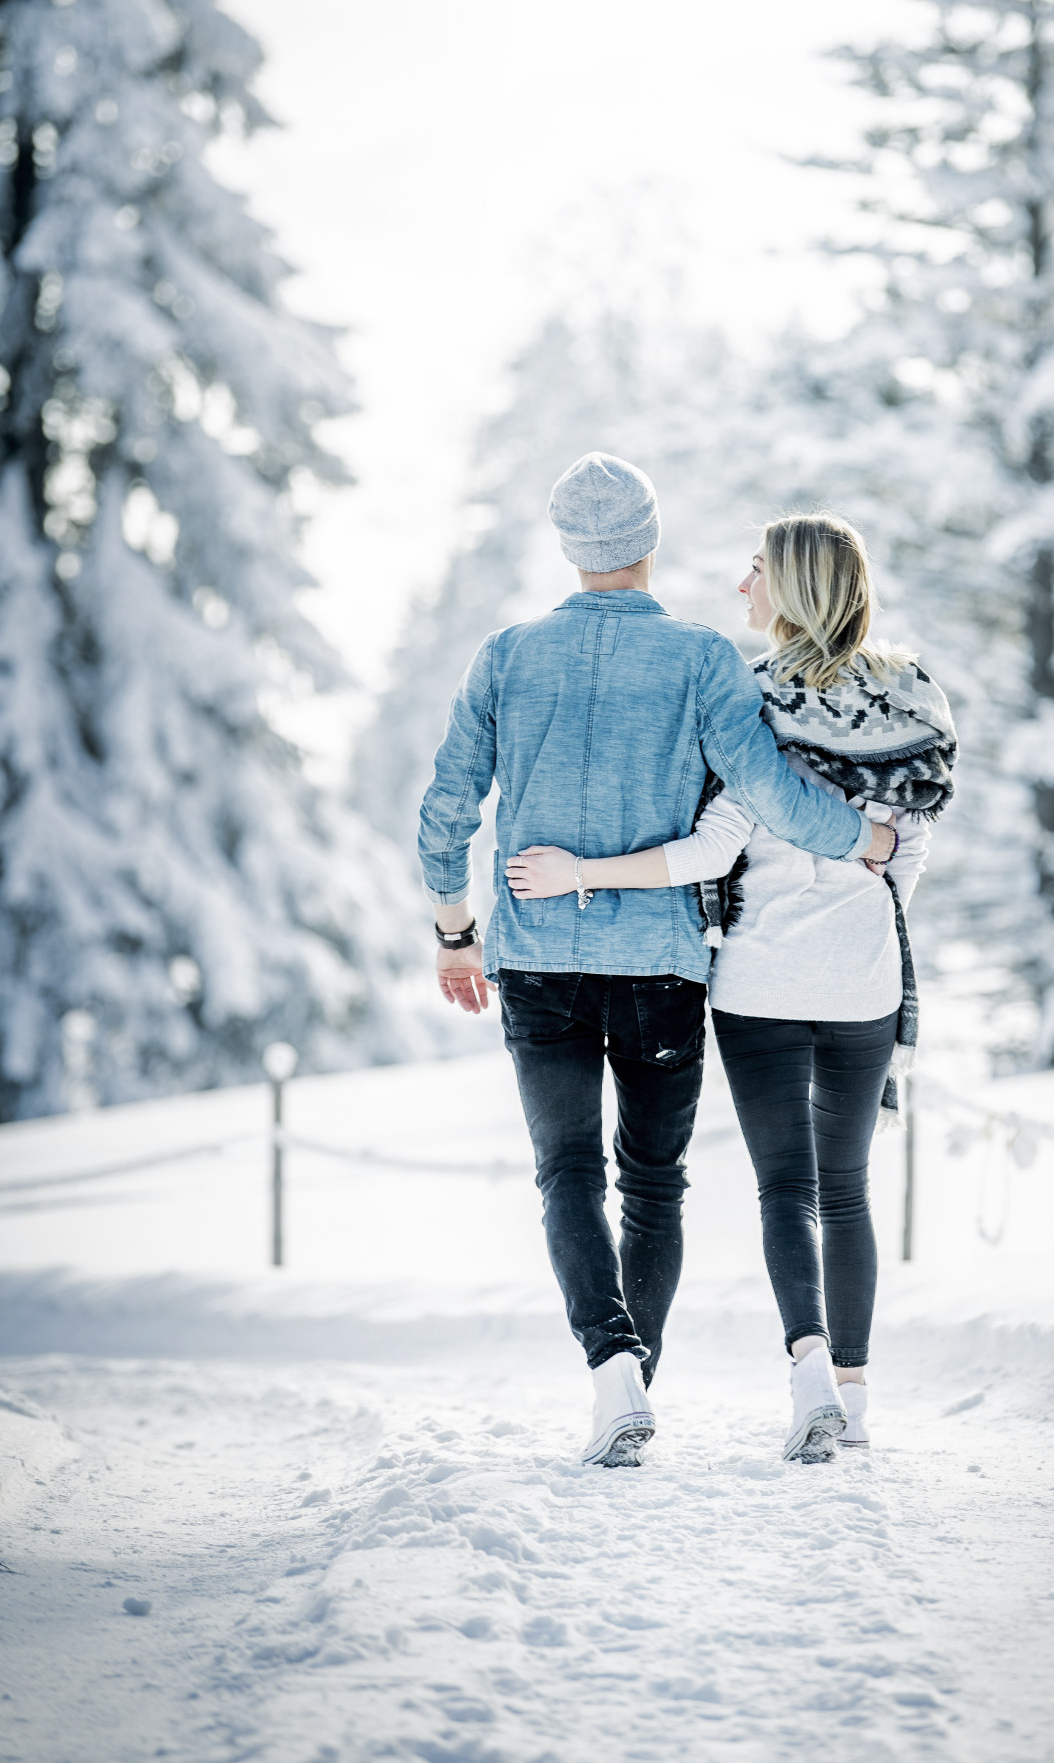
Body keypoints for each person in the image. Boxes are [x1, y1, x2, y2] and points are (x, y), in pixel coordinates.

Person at [419, 458, 898, 1469]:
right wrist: (858, 840)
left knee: (563, 1175)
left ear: (567, 549)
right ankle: (636, 1383)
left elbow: (446, 809)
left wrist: (454, 931)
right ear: (650, 540)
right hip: (662, 965)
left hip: (540, 959)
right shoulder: (698, 657)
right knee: (652, 1186)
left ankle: (612, 1375)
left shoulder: (506, 655)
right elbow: (765, 790)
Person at [507, 511, 956, 1462]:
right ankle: (855, 1398)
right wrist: (864, 904)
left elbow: (710, 848)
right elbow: (909, 846)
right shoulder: (910, 695)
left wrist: (581, 873)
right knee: (847, 1188)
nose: (740, 585)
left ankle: (805, 1373)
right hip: (864, 979)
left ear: (789, 588)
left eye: (754, 570)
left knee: (784, 1188)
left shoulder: (755, 703)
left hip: (757, 979)